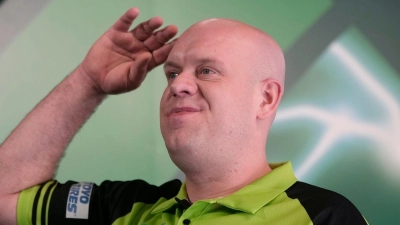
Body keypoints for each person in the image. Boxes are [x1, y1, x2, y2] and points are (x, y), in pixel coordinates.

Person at [0, 8, 368, 225]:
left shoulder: (324, 217)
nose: (178, 86)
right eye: (173, 73)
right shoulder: (128, 207)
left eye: (207, 71)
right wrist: (87, 82)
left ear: (266, 98)